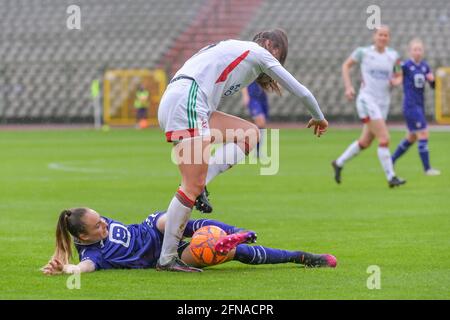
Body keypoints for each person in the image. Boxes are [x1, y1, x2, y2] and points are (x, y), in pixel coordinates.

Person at [157, 29, 328, 272]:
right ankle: (167, 258)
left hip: (185, 100)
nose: (276, 59)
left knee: (249, 134)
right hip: (188, 100)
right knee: (190, 186)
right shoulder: (259, 52)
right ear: (269, 43)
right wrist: (319, 117)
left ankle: (203, 183)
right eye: (278, 51)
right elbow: (300, 90)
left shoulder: (235, 49)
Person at [41, 208, 337, 275]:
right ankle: (300, 257)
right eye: (98, 226)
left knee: (174, 219)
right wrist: (66, 269)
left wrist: (60, 257)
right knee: (222, 251)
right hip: (162, 258)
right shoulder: (95, 256)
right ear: (84, 237)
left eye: (102, 219)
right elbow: (82, 268)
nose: (104, 223)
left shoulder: (87, 225)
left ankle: (235, 229)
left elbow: (64, 241)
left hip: (151, 229)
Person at [332, 25, 406, 188]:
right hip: (367, 100)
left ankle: (339, 163)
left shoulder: (393, 56)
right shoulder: (363, 52)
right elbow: (346, 66)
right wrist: (348, 87)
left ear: (389, 38)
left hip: (383, 103)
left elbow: (399, 74)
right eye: (380, 35)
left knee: (365, 142)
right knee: (384, 138)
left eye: (386, 35)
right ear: (374, 36)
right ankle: (391, 177)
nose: (383, 38)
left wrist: (396, 81)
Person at [391, 39, 440, 175]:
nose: (417, 52)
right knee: (423, 132)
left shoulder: (425, 66)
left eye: (420, 49)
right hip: (410, 105)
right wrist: (395, 77)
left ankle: (391, 160)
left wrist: (433, 80)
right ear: (410, 51)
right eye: (415, 49)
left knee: (412, 137)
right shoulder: (406, 65)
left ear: (423, 51)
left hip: (420, 105)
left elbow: (433, 86)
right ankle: (427, 169)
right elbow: (396, 71)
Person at [241, 81, 270, 158]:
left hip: (262, 97)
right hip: (252, 96)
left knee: (261, 125)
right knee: (261, 122)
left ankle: (257, 151)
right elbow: (244, 80)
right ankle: (254, 150)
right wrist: (245, 95)